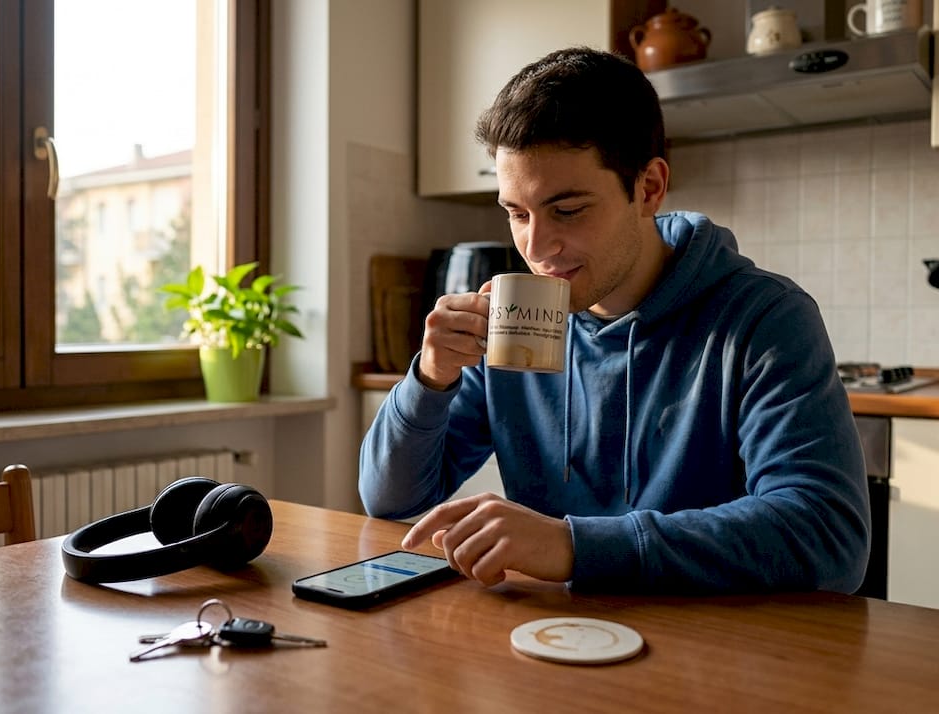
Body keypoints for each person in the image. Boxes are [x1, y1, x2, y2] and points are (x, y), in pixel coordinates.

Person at [358, 46, 869, 594]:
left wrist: (573, 546)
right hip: (553, 641)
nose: (537, 246)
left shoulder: (763, 320)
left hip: (715, 656)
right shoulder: (517, 320)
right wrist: (430, 379)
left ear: (648, 188)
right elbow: (390, 499)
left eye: (568, 210)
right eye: (517, 213)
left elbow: (829, 538)